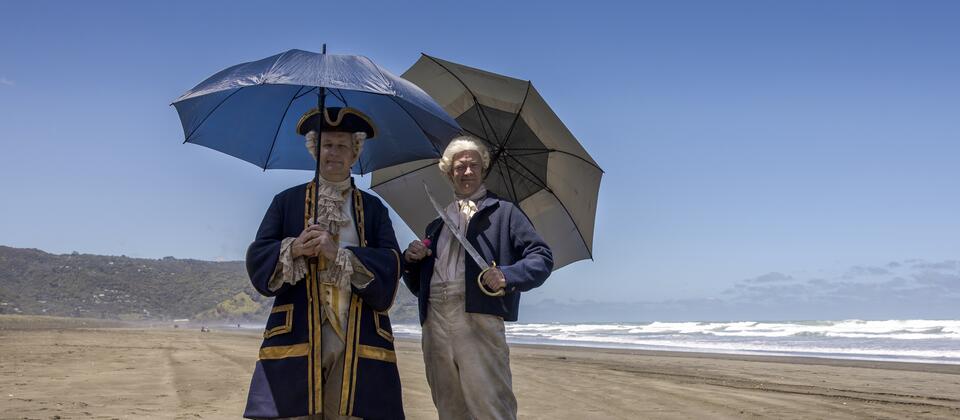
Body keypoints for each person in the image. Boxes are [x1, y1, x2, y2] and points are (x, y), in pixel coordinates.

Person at [244, 107, 404, 419]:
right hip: (299, 330)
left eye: (342, 145)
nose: (333, 153)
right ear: (314, 150)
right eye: (326, 145)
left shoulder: (373, 209)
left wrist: (339, 254)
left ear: (355, 153)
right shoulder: (285, 201)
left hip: (357, 332)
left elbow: (390, 264)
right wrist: (294, 248)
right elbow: (258, 257)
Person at [401, 135, 553, 420]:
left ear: (483, 169)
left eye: (473, 165)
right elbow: (416, 285)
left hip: (477, 316)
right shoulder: (436, 224)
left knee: (491, 406)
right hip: (434, 318)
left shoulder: (505, 212)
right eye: (459, 167)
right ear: (449, 173)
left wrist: (506, 275)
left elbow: (542, 257)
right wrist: (412, 261)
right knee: (448, 405)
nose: (466, 172)